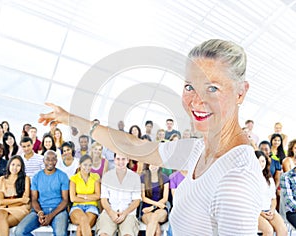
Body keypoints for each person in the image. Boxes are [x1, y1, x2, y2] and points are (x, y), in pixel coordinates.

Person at [38, 39, 264, 234]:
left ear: (241, 92)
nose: (196, 101)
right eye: (189, 87)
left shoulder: (236, 178)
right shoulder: (197, 150)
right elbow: (134, 146)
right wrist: (70, 119)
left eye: (212, 88)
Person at [15, 150, 69, 236]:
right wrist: (40, 213)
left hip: (58, 211)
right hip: (39, 210)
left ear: (56, 161)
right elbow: (34, 199)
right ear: (43, 161)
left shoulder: (63, 176)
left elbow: (65, 200)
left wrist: (51, 216)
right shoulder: (37, 176)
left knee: (61, 233)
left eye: (53, 159)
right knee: (19, 232)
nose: (50, 162)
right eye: (47, 159)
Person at [96, 153, 141, 236]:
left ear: (128, 160)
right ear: (114, 160)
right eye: (118, 159)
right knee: (104, 234)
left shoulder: (135, 177)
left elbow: (136, 200)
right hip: (109, 212)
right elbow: (104, 199)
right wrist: (111, 212)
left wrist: (124, 213)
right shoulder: (107, 176)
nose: (120, 162)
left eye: (123, 159)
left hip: (128, 214)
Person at [0, 155, 30, 236]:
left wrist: (8, 202)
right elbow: (1, 201)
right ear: (9, 165)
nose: (15, 167)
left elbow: (26, 200)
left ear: (21, 167)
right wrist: (20, 200)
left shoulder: (25, 179)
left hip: (20, 209)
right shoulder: (1, 180)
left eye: (18, 165)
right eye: (13, 164)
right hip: (3, 209)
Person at [255, 151, 287, 235]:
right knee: (268, 230)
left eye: (262, 161)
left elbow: (273, 198)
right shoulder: (249, 178)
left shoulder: (269, 179)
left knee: (283, 230)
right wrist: (261, 213)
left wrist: (272, 210)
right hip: (255, 212)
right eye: (257, 161)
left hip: (269, 210)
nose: (260, 164)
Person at [69, 155, 101, 236]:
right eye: (85, 165)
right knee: (83, 219)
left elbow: (97, 196)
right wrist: (90, 198)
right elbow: (73, 198)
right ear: (80, 164)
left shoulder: (95, 177)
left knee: (80, 228)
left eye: (90, 165)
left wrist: (82, 196)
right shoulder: (74, 178)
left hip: (92, 207)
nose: (88, 167)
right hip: (77, 207)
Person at [140, 164, 169, 236]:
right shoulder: (143, 177)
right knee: (156, 227)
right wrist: (156, 205)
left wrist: (152, 207)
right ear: (148, 165)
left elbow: (165, 198)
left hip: (161, 210)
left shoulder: (164, 178)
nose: (154, 166)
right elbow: (143, 197)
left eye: (155, 164)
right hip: (146, 211)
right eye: (151, 164)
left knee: (154, 217)